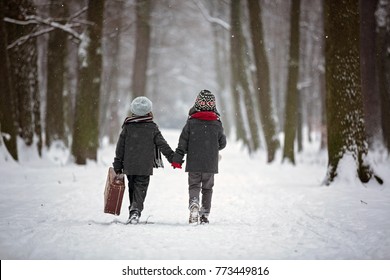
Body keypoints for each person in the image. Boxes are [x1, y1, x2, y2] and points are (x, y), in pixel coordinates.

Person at [113, 96, 174, 224]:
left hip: (129, 165)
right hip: (144, 165)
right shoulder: (152, 127)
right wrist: (172, 158)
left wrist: (118, 164)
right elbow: (162, 144)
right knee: (140, 188)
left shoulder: (128, 126)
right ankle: (135, 211)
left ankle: (133, 210)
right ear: (149, 111)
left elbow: (120, 147)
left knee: (132, 187)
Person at [172, 89, 227, 224]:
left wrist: (178, 158)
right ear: (213, 105)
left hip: (194, 162)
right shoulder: (217, 123)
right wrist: (212, 148)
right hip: (210, 163)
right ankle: (204, 214)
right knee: (208, 188)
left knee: (194, 185)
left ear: (197, 104)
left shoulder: (191, 122)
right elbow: (222, 143)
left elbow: (182, 143)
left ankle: (194, 203)